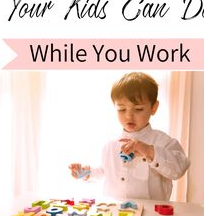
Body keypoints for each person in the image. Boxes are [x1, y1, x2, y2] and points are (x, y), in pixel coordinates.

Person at [69, 72, 190, 201]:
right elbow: (104, 172)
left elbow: (179, 168)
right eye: (122, 109)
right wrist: (84, 173)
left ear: (154, 108)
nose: (129, 116)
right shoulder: (111, 145)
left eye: (138, 109)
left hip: (152, 215)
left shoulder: (163, 141)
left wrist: (149, 151)